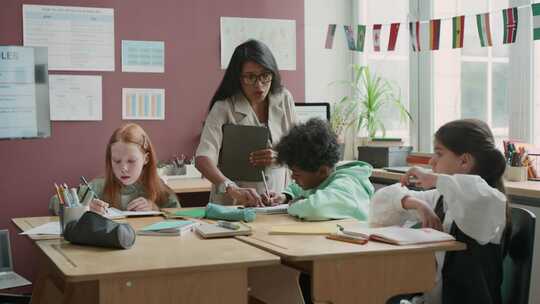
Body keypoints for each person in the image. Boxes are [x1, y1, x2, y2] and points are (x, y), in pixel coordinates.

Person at [371, 119, 509, 304]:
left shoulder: (489, 203)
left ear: (464, 161)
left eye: (439, 153)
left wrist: (435, 179)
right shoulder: (441, 197)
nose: (431, 161)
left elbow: (475, 195)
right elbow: (381, 202)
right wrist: (416, 204)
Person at [195, 39, 297, 206]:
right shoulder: (224, 107)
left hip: (276, 199)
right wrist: (230, 187)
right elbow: (203, 158)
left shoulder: (284, 98)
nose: (259, 85)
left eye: (265, 76)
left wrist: (280, 156)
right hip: (233, 203)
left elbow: (300, 149)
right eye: (250, 77)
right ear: (238, 77)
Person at [49, 123, 180, 215]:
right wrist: (84, 208)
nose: (123, 168)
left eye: (131, 161)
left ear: (146, 159)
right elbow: (55, 201)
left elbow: (179, 216)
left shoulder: (158, 188)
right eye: (117, 161)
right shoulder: (99, 186)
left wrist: (155, 208)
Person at [264, 118, 374, 221]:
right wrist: (285, 196)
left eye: (296, 174)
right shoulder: (322, 176)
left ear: (322, 171)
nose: (292, 177)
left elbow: (314, 208)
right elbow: (301, 189)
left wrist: (293, 205)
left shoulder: (347, 185)